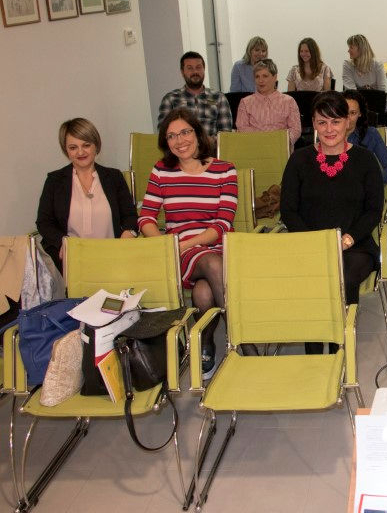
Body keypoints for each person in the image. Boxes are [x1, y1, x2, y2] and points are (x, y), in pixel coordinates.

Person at [139, 109, 238, 379]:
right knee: (212, 264)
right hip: (179, 252)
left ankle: (205, 343)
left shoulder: (224, 169)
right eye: (171, 136)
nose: (179, 140)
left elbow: (223, 224)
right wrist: (166, 246)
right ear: (165, 142)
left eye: (185, 132)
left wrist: (186, 244)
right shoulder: (161, 170)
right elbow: (146, 217)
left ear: (197, 133)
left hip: (215, 245)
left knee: (204, 291)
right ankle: (240, 341)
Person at [280, 91, 383, 316]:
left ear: (347, 122)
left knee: (343, 276)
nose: (329, 129)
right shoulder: (298, 160)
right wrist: (314, 242)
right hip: (308, 243)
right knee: (303, 276)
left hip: (355, 245)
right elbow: (288, 210)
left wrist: (348, 239)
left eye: (335, 121)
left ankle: (342, 334)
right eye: (322, 122)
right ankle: (311, 332)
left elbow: (374, 211)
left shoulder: (365, 160)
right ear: (314, 124)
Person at [36, 118, 138, 271]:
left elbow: (130, 216)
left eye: (86, 145)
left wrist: (129, 233)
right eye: (73, 147)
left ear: (96, 145)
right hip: (71, 262)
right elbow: (44, 222)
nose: (80, 152)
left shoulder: (114, 177)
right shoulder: (54, 180)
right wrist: (62, 242)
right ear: (66, 150)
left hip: (113, 258)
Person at [158, 51, 233, 140]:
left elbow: (225, 134)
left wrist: (207, 142)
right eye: (190, 68)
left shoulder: (218, 98)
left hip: (211, 147)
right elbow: (163, 133)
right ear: (182, 72)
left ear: (204, 69)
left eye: (198, 67)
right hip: (181, 146)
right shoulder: (171, 99)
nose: (195, 71)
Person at [235, 59, 301, 146]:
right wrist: (264, 140)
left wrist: (282, 142)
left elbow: (296, 129)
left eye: (265, 76)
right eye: (257, 76)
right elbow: (242, 128)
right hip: (254, 146)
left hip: (280, 147)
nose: (260, 80)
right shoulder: (245, 102)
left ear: (275, 77)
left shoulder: (289, 101)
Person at [344, 89, 387, 183]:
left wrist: (374, 182)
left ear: (360, 113)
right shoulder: (329, 133)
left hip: (363, 188)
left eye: (353, 113)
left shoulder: (370, 134)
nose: (348, 117)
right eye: (344, 112)